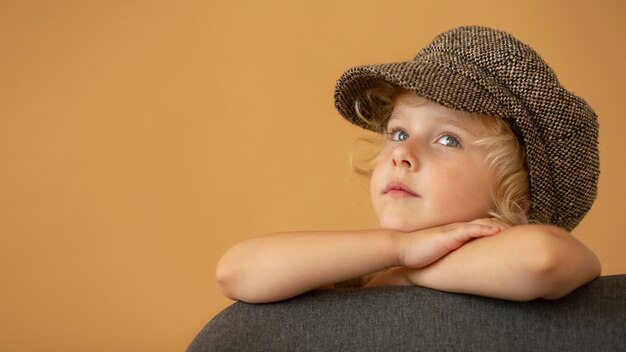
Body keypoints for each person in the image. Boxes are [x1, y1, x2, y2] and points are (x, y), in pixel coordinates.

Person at [215, 26, 601, 304]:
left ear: (518, 195)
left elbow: (542, 259)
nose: (402, 153)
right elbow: (236, 271)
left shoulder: (516, 252)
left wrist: (409, 271)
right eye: (399, 133)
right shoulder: (362, 267)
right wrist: (400, 249)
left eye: (448, 140)